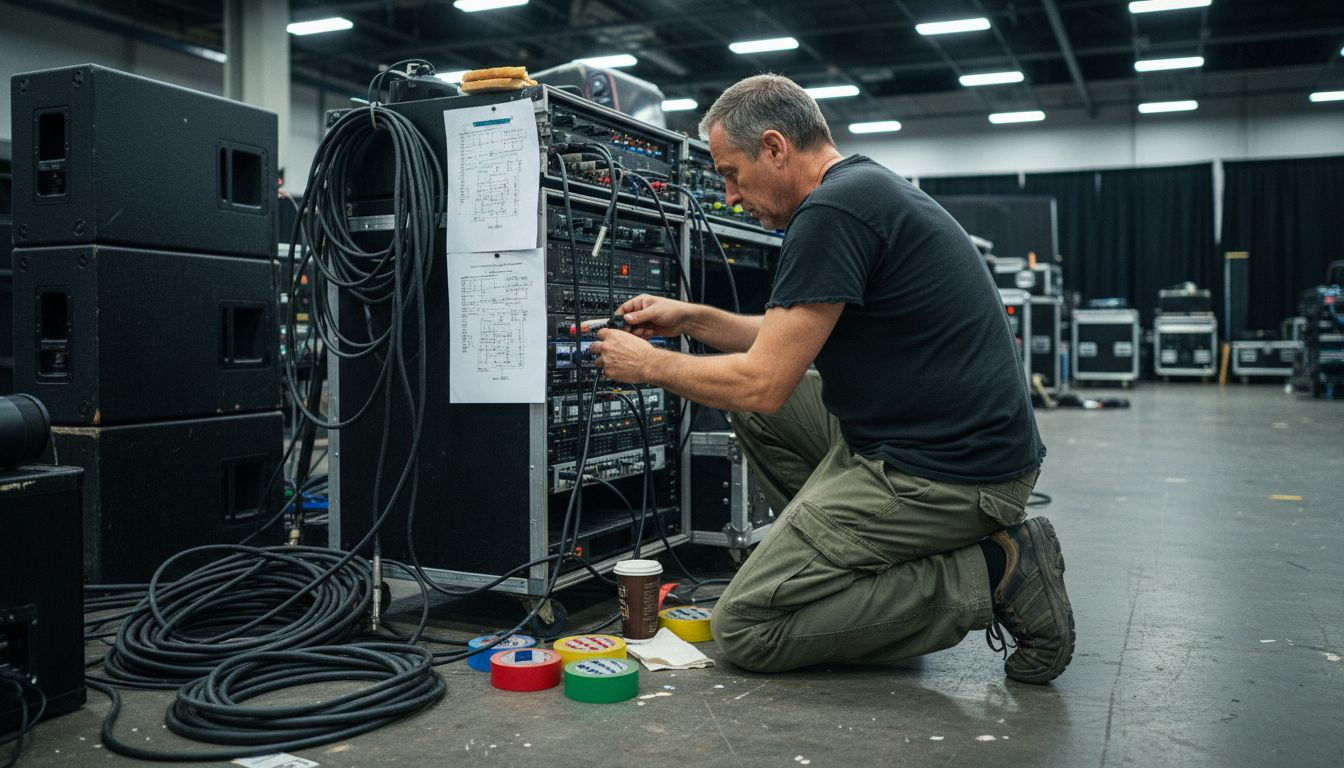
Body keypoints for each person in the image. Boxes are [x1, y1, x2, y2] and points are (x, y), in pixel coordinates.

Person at [590, 74, 1074, 683]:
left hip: (952, 474)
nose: (731, 197)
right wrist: (689, 319)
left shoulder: (832, 211)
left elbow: (763, 381)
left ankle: (995, 572)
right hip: (923, 440)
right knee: (759, 411)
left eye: (733, 174)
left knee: (747, 628)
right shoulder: (858, 189)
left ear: (774, 147)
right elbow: (783, 339)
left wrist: (649, 366)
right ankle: (850, 566)